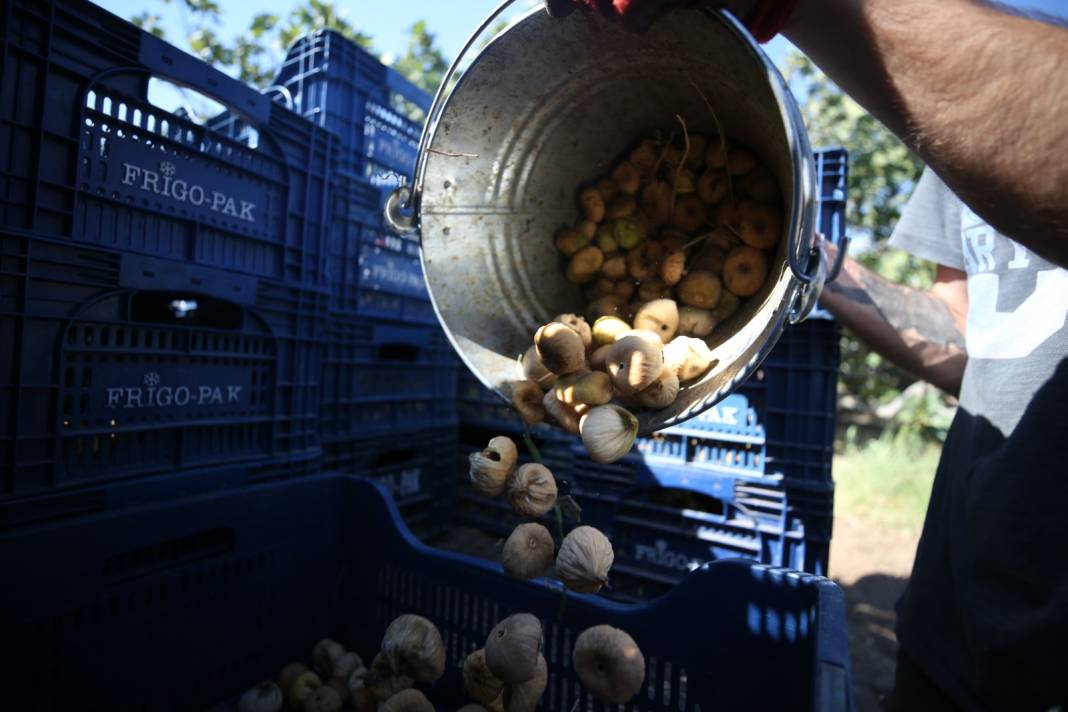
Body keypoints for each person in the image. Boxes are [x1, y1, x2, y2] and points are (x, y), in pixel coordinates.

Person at [546, 1, 1068, 709]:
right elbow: (965, 337)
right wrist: (811, 264)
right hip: (961, 610)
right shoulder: (972, 70)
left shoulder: (990, 65)